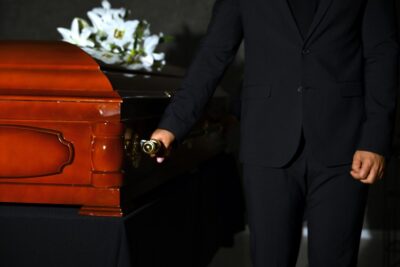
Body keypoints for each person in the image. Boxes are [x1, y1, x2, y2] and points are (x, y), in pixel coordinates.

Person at [150, 0, 399, 266]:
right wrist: (172, 124)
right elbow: (214, 53)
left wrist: (375, 139)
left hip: (345, 143)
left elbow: (382, 54)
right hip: (266, 141)